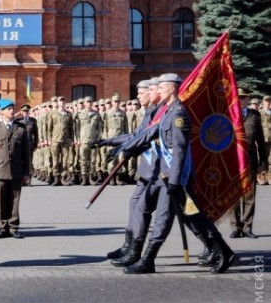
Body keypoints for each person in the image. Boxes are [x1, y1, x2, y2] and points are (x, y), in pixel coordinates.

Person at [111, 73, 238, 274]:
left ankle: (148, 260)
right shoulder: (167, 112)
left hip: (174, 178)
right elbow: (148, 135)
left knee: (169, 217)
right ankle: (223, 251)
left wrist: (175, 181)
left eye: (161, 87)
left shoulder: (178, 114)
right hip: (163, 175)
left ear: (171, 89)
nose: (157, 90)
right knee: (190, 216)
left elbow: (179, 151)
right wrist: (123, 147)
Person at [94, 78, 160, 259]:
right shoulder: (149, 112)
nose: (137, 96)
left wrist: (121, 148)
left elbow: (144, 138)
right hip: (148, 169)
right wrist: (109, 141)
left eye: (141, 92)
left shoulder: (158, 113)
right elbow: (135, 134)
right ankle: (129, 246)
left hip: (161, 171)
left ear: (152, 91)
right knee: (135, 204)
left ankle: (217, 247)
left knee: (191, 217)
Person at [0, 99, 31, 239]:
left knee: (15, 200)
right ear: (2, 111)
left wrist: (27, 172)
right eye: (9, 109)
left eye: (12, 108)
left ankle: (13, 227)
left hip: (16, 169)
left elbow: (26, 153)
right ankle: (2, 227)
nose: (11, 111)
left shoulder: (21, 128)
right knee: (1, 200)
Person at [229, 88, 267, 239]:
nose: (241, 100)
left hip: (249, 160)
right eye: (238, 97)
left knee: (249, 195)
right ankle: (235, 227)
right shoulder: (228, 114)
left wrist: (263, 161)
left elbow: (260, 140)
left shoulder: (254, 115)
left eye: (243, 97)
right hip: (232, 161)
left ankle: (247, 227)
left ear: (247, 99)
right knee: (233, 196)